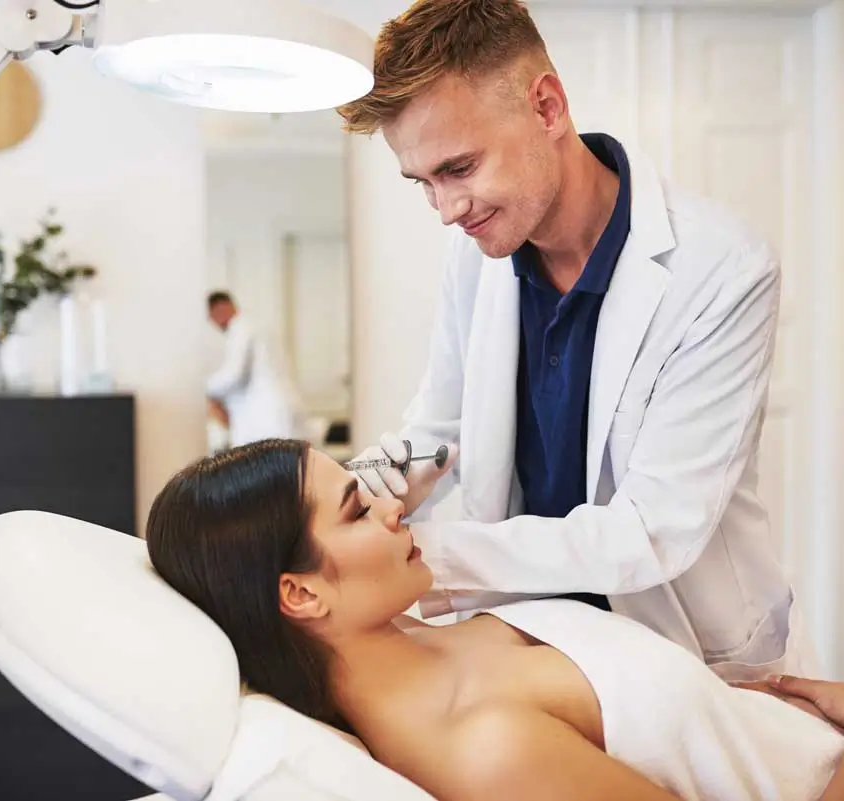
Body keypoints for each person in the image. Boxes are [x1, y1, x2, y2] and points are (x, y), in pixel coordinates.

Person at [337, 0, 802, 679]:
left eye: (459, 168)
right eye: (424, 183)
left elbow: (652, 528)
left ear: (547, 106)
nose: (446, 210)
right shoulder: (476, 255)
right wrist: (346, 498)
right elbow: (438, 433)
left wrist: (415, 555)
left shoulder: (723, 267)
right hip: (536, 633)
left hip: (687, 646)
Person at [146, 439, 844, 801]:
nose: (390, 505)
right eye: (355, 507)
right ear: (302, 595)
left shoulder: (416, 627)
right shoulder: (487, 751)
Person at [205, 291, 303, 446]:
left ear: (220, 309)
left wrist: (203, 389)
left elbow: (234, 375)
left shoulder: (240, 329)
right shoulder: (255, 326)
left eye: (212, 317)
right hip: (276, 413)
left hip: (265, 418)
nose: (214, 323)